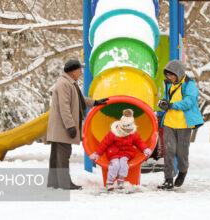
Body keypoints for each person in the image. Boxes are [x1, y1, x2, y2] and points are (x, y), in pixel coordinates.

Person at [47, 59, 108, 190]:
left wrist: (95, 102)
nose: (81, 71)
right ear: (72, 71)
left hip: (60, 127)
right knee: (63, 155)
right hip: (62, 127)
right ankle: (64, 183)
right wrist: (70, 126)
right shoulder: (64, 84)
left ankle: (55, 181)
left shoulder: (69, 83)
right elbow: (64, 107)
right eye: (79, 69)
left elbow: (79, 99)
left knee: (57, 155)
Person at [157, 60, 204, 190]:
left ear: (179, 73)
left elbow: (189, 102)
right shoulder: (168, 84)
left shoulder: (189, 85)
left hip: (184, 123)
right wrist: (163, 103)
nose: (170, 77)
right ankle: (168, 179)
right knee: (169, 151)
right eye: (167, 75)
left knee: (181, 152)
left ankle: (182, 171)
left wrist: (172, 105)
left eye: (172, 75)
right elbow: (167, 99)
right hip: (169, 122)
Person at [89, 109, 153, 190]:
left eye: (130, 129)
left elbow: (139, 142)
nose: (128, 131)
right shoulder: (114, 132)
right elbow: (104, 144)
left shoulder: (132, 133)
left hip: (126, 152)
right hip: (114, 153)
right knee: (115, 165)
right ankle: (110, 181)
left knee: (123, 164)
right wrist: (97, 154)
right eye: (127, 129)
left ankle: (120, 179)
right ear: (122, 127)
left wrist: (145, 149)